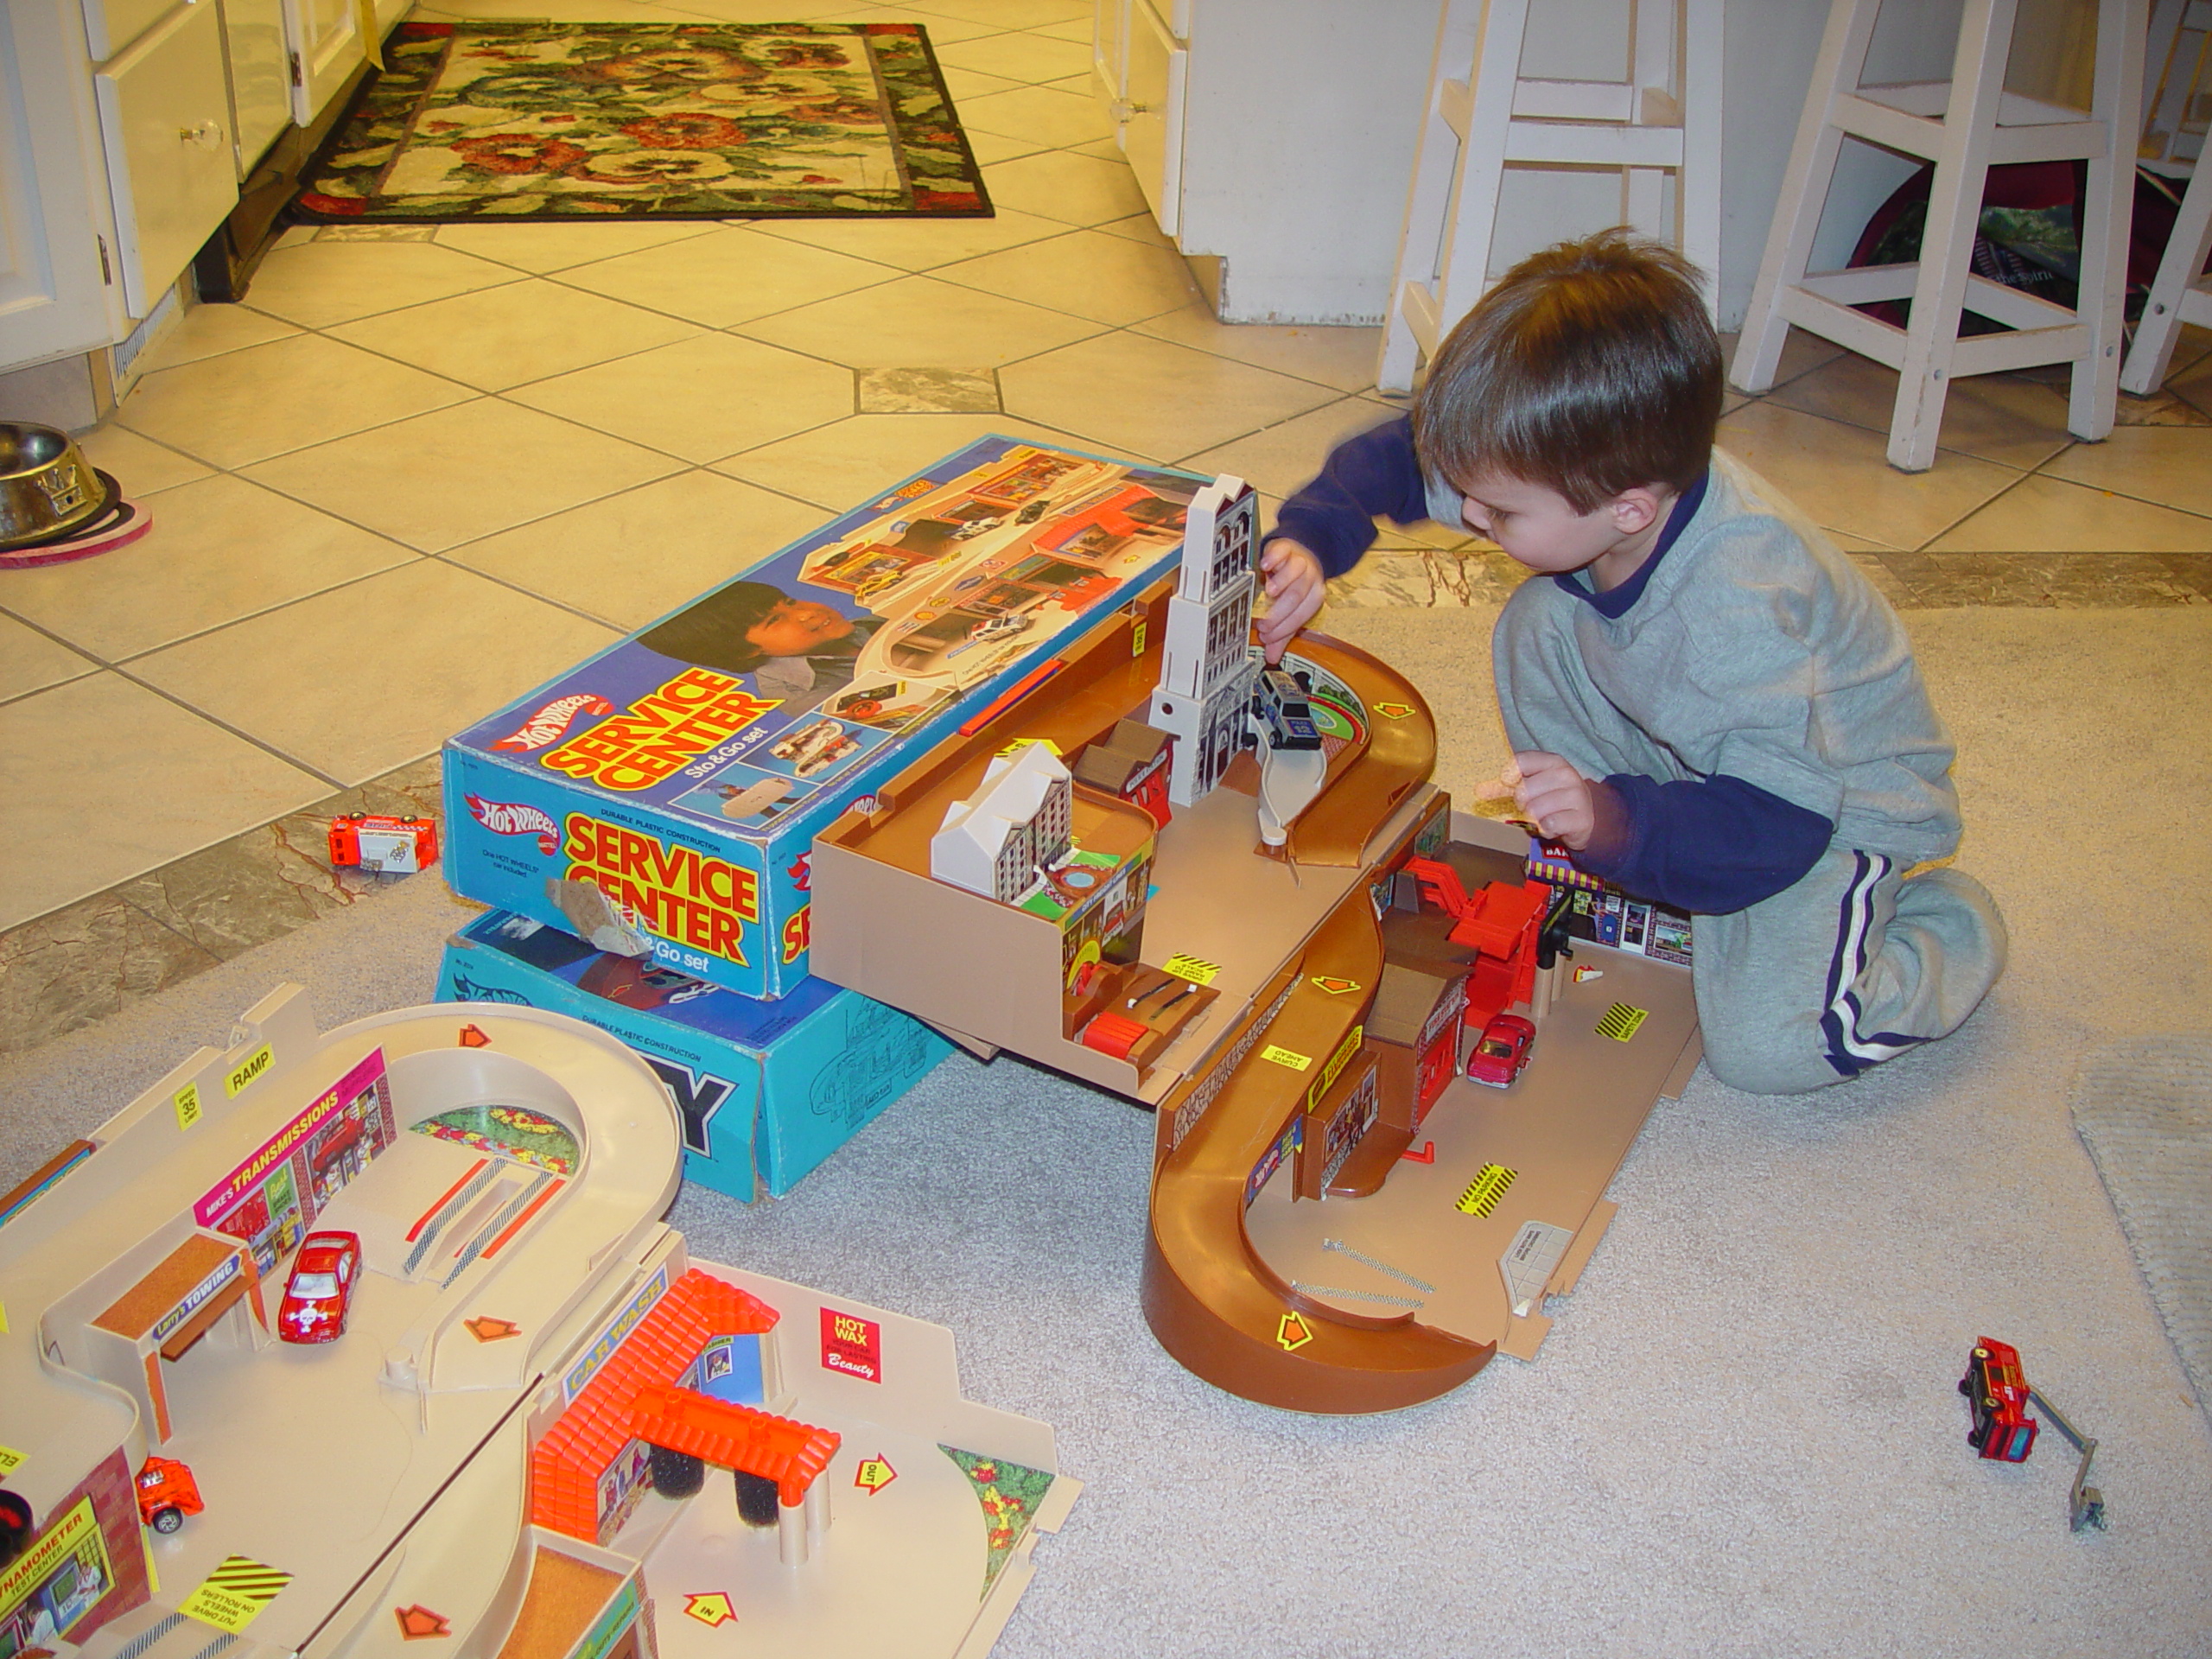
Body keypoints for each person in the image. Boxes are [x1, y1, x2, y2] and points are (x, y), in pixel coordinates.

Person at [1259, 230, 2005, 1094]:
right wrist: (1311, 541)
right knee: (1539, 617)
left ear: (1627, 510)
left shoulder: (1737, 606)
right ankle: (1623, 834)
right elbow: (1398, 458)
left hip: (1822, 808)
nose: (1466, 513)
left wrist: (1616, 823)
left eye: (1497, 511)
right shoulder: (1586, 467)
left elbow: (1775, 827)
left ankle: (1946, 921)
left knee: (1772, 1050)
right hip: (1712, 745)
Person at [638, 580, 881, 704]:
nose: (805, 612)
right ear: (745, 651)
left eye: (789, 602)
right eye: (775, 620)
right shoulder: (793, 693)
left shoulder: (871, 623)